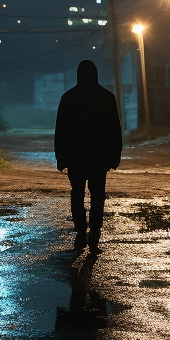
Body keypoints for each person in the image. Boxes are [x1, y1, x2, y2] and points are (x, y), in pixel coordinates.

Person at [54, 59, 122, 253]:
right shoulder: (106, 98)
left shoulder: (68, 98)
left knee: (77, 194)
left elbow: (61, 131)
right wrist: (114, 156)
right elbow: (114, 131)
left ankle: (81, 233)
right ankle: (94, 236)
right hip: (99, 158)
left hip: (75, 156)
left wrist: (61, 157)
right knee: (97, 196)